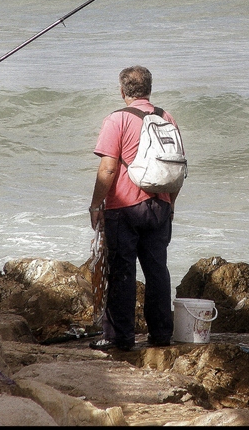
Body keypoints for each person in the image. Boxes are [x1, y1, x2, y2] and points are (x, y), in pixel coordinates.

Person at [88, 66, 181, 351]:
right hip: (160, 205)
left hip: (124, 207)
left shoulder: (117, 119)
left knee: (122, 272)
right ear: (150, 89)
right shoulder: (166, 117)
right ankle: (162, 335)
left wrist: (95, 205)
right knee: (157, 271)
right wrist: (170, 204)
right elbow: (177, 167)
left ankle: (120, 338)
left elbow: (108, 168)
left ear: (122, 90)